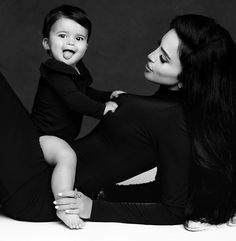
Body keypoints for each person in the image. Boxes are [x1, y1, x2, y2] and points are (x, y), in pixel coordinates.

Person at [0, 14, 235, 230]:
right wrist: (104, 193)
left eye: (163, 58)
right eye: (157, 46)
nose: (151, 56)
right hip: (42, 165)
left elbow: (172, 209)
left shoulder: (174, 121)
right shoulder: (164, 106)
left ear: (187, 79)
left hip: (39, 193)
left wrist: (93, 208)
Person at [31, 5, 124, 229]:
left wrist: (107, 95)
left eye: (79, 38)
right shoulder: (55, 71)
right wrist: (101, 110)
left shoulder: (74, 70)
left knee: (72, 157)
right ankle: (65, 208)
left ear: (86, 45)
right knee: (67, 156)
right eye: (62, 36)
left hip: (58, 136)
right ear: (46, 43)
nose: (71, 42)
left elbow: (85, 93)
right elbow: (75, 100)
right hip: (43, 137)